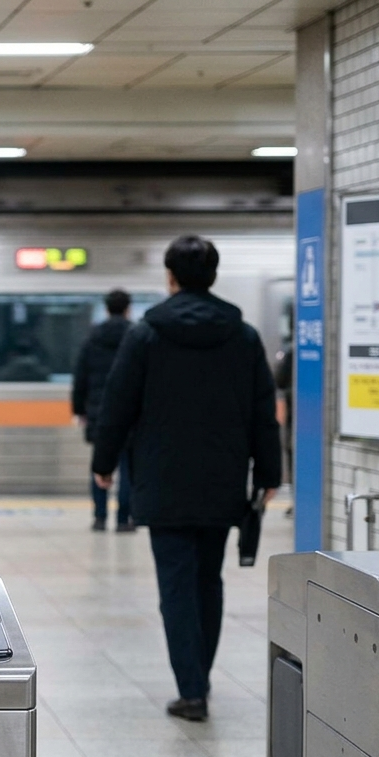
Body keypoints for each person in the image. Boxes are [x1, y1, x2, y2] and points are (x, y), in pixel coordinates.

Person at [90, 235, 281, 723]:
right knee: (207, 581)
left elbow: (118, 403)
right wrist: (269, 473)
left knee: (176, 585)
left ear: (170, 278)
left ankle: (191, 690)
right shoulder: (243, 335)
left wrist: (105, 462)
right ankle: (201, 679)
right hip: (223, 478)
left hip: (163, 476)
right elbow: (263, 410)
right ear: (213, 276)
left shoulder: (147, 334)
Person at [72, 289, 135, 533]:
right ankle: (123, 519)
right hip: (130, 413)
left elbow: (81, 377)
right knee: (128, 466)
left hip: (99, 412)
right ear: (128, 308)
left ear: (107, 308)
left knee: (100, 464)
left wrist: (79, 409)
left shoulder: (92, 337)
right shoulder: (136, 335)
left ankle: (99, 517)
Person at [274, 341, 295, 517]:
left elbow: (279, 379)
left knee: (293, 455)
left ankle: (296, 501)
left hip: (294, 413)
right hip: (303, 413)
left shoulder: (290, 350)